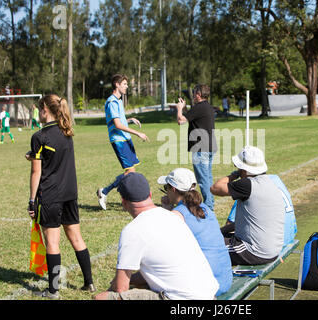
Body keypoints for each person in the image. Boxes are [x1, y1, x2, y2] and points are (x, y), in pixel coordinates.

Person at [94, 172, 219, 300]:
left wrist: (115, 283)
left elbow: (121, 288)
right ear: (150, 195)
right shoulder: (173, 216)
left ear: (124, 203)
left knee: (101, 298)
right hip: (209, 294)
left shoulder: (132, 230)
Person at [26, 94, 95, 299]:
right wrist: (34, 155)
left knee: (53, 243)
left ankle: (53, 290)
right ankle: (89, 283)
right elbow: (55, 158)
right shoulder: (66, 131)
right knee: (76, 238)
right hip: (70, 194)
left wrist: (31, 200)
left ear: (45, 110)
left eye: (39, 109)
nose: (39, 113)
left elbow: (36, 172)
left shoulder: (39, 136)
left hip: (50, 195)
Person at [157, 168, 232, 297]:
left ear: (173, 189)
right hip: (225, 279)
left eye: (166, 187)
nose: (166, 191)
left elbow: (160, 248)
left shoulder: (177, 215)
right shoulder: (206, 209)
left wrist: (166, 211)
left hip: (205, 286)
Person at [210, 146, 285, 265]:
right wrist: (222, 231)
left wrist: (234, 175)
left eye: (238, 167)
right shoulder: (269, 182)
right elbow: (250, 222)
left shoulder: (247, 185)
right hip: (271, 251)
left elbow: (215, 188)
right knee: (215, 237)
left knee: (206, 244)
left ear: (244, 170)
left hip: (255, 252)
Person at [97, 74, 149, 210]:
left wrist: (130, 119)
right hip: (119, 140)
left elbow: (120, 120)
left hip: (125, 138)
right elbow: (117, 125)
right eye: (125, 84)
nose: (127, 86)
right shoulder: (112, 102)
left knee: (131, 171)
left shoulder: (118, 101)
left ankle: (119, 196)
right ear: (117, 85)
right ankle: (106, 192)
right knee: (130, 172)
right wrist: (138, 133)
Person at [175, 84, 217, 211]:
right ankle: (210, 202)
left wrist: (179, 108)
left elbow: (181, 120)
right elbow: (193, 117)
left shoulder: (199, 107)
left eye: (194, 93)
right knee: (207, 177)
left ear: (198, 94)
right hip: (209, 147)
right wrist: (185, 107)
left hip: (201, 149)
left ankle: (209, 207)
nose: (193, 95)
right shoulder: (207, 107)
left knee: (203, 180)